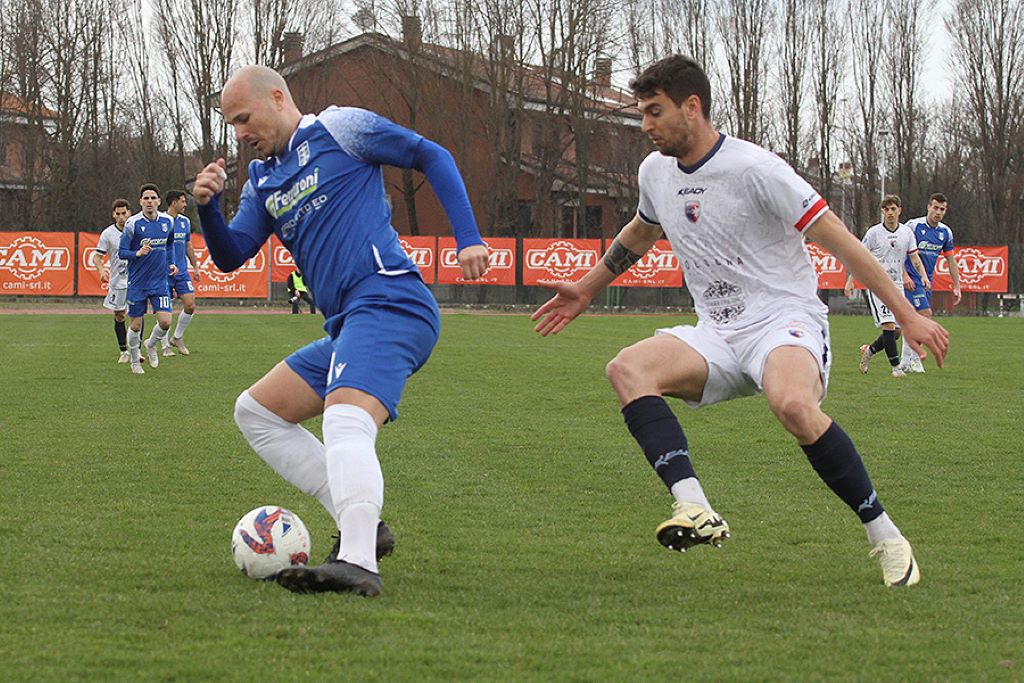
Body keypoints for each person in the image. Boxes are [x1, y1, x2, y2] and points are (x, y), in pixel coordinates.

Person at [531, 55, 949, 587]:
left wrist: (907, 314)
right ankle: (695, 508)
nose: (645, 126)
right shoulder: (655, 172)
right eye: (642, 113)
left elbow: (841, 241)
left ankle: (886, 536)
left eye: (654, 112)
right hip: (717, 333)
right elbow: (642, 230)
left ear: (692, 106)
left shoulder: (757, 169)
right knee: (627, 369)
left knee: (793, 404)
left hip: (784, 322)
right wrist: (585, 290)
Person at [192, 65, 489, 597]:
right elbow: (232, 254)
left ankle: (357, 562)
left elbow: (431, 155)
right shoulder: (263, 181)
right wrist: (208, 209)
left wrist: (468, 236)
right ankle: (364, 526)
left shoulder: (339, 128)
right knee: (257, 412)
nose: (239, 134)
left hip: (391, 299)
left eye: (244, 118)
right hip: (350, 323)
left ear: (278, 98)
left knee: (345, 418)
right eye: (231, 124)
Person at [844, 195, 929, 377]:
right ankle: (896, 368)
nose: (890, 213)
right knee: (888, 325)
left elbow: (914, 257)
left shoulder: (906, 233)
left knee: (896, 332)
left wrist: (923, 275)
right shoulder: (874, 233)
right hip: (876, 284)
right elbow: (859, 257)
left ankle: (870, 351)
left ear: (900, 210)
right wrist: (851, 280)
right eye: (886, 209)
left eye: (893, 209)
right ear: (882, 211)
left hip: (896, 285)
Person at [118, 184, 178, 374]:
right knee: (135, 325)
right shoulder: (132, 224)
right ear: (140, 202)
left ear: (159, 201)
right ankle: (135, 361)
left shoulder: (167, 222)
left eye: (153, 198)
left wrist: (172, 263)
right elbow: (122, 252)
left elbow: (169, 245)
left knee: (166, 322)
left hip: (160, 282)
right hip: (138, 283)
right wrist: (137, 253)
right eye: (146, 198)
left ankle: (151, 344)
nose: (149, 201)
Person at [899, 193, 961, 373]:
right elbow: (900, 252)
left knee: (914, 319)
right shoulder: (913, 226)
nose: (938, 212)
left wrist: (956, 285)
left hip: (927, 281)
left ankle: (905, 360)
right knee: (925, 314)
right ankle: (915, 358)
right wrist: (904, 275)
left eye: (942, 209)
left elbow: (951, 260)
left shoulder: (945, 233)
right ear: (928, 207)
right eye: (935, 208)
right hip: (911, 278)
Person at [153, 189, 201, 356]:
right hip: (163, 272)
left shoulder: (185, 222)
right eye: (182, 201)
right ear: (174, 203)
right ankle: (165, 346)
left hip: (181, 271)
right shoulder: (160, 221)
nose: (185, 204)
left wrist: (195, 267)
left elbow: (188, 246)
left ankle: (177, 337)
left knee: (190, 304)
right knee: (166, 309)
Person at [92, 198, 133, 363]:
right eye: (118, 214)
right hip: (117, 282)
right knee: (119, 316)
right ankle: (124, 351)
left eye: (124, 213)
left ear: (129, 213)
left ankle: (136, 351)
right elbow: (97, 257)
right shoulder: (108, 234)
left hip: (135, 280)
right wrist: (102, 269)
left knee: (137, 316)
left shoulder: (136, 229)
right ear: (113, 215)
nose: (122, 217)